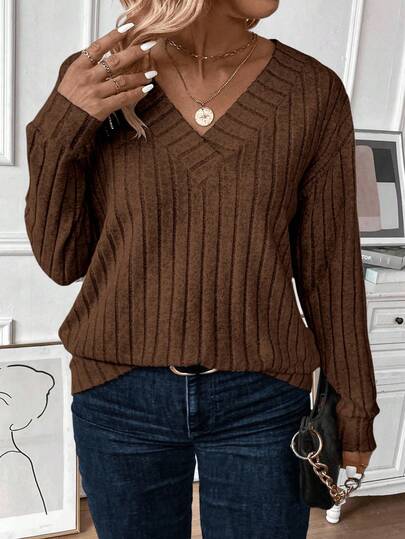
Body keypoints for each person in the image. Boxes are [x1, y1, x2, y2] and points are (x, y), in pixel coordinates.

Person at [24, 0, 380, 537]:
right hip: (118, 397)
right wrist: (60, 125)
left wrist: (355, 408)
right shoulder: (104, 78)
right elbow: (61, 260)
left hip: (263, 402)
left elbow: (331, 268)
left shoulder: (312, 91)